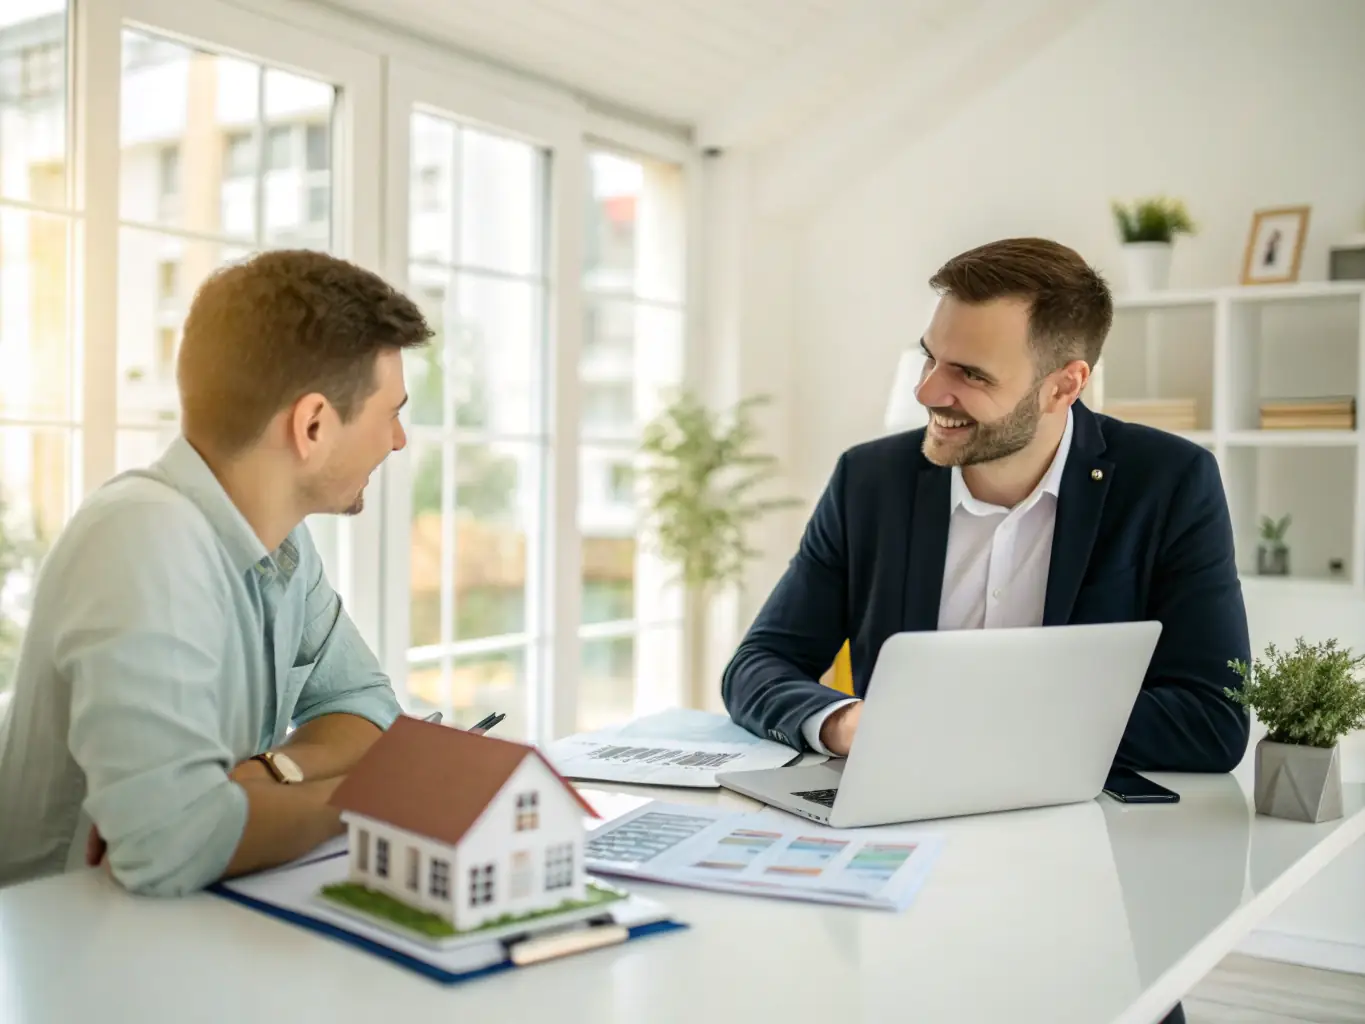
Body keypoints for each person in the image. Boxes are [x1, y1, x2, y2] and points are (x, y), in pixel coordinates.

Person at [722, 236, 1252, 773]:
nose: (928, 392)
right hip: (890, 817)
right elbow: (757, 666)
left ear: (1064, 386)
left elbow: (1211, 720)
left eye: (971, 374)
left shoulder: (1170, 482)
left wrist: (962, 723)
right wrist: (844, 723)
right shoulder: (868, 481)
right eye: (931, 358)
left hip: (1081, 831)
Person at [0, 249, 431, 896]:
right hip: (60, 955)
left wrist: (266, 774)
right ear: (312, 424)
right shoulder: (142, 540)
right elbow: (173, 842)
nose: (396, 441)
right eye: (389, 413)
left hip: (172, 937)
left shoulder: (286, 548)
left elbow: (365, 706)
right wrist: (375, 802)